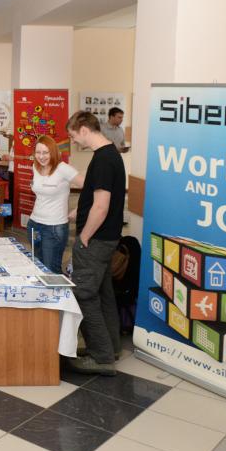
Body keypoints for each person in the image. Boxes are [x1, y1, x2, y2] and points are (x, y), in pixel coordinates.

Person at [65, 111, 126, 376]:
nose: (73, 141)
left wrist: (84, 236)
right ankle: (110, 347)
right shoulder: (110, 154)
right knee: (103, 293)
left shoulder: (102, 160)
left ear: (83, 129)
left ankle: (101, 358)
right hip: (108, 237)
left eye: (73, 135)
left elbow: (101, 207)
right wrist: (78, 210)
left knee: (84, 294)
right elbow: (95, 195)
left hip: (97, 239)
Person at [25, 135, 84, 273]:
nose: (41, 156)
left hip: (54, 228)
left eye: (46, 152)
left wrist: (78, 209)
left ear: (53, 152)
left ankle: (58, 294)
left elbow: (90, 187)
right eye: (38, 152)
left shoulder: (63, 168)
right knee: (38, 266)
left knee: (51, 270)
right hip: (34, 224)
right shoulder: (36, 166)